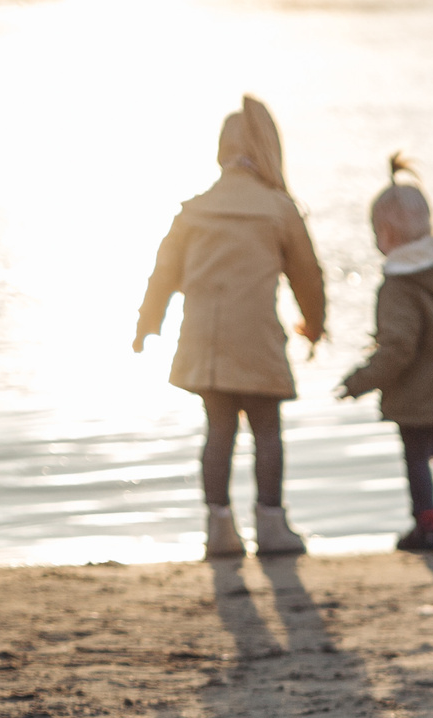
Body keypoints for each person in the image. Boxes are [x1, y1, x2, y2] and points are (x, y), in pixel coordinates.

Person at [135, 96, 327, 560]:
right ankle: (272, 525)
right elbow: (308, 275)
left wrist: (147, 324)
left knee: (218, 432)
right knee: (266, 432)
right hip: (257, 338)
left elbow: (163, 272)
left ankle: (219, 529)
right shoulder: (279, 208)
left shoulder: (195, 210)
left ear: (221, 150)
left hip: (205, 342)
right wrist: (314, 326)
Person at [337, 154, 433, 549]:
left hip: (418, 392)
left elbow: (398, 348)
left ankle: (426, 527)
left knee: (417, 457)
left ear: (385, 232)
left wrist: (360, 381)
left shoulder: (398, 287)